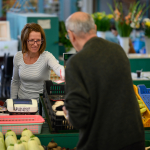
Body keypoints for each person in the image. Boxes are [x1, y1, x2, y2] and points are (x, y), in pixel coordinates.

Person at [63, 12, 145, 150]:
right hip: (134, 140)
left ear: (71, 35)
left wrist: (68, 113)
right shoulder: (118, 51)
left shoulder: (76, 63)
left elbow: (78, 118)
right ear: (94, 27)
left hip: (101, 143)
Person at [11, 23, 64, 101]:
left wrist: (64, 73)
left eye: (38, 40)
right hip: (22, 101)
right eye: (32, 40)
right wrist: (12, 102)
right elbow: (15, 81)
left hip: (41, 103)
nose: (35, 44)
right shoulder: (18, 56)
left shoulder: (47, 56)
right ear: (25, 40)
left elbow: (57, 67)